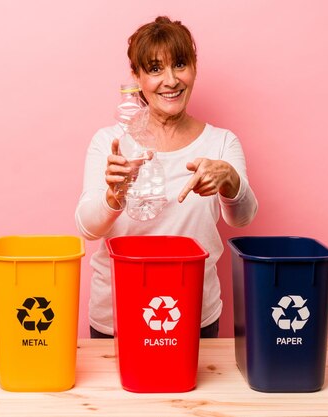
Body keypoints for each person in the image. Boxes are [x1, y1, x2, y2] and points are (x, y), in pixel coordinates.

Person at [75, 16, 258, 339]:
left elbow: (242, 218)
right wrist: (113, 197)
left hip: (192, 313)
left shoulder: (221, 143)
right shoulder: (111, 142)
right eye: (156, 69)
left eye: (180, 64)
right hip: (118, 313)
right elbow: (87, 228)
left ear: (194, 68)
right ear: (137, 77)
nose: (171, 80)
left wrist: (229, 179)